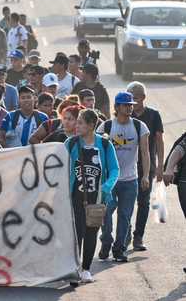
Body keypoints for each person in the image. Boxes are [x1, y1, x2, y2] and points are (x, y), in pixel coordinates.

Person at [65, 109, 119, 283]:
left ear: (90, 125)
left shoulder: (104, 144)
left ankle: (86, 269)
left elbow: (114, 169)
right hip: (75, 196)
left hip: (97, 198)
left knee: (91, 232)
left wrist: (106, 187)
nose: (76, 125)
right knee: (76, 233)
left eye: (80, 122)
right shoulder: (71, 143)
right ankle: (74, 269)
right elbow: (58, 164)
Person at [97, 92, 150, 263]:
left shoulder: (139, 126)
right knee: (106, 213)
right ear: (117, 107)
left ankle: (119, 249)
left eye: (131, 105)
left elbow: (145, 152)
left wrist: (146, 176)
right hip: (110, 181)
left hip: (130, 179)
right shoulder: (105, 127)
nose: (129, 108)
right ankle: (106, 242)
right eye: (125, 105)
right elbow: (98, 154)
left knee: (125, 216)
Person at [127, 81, 164, 251]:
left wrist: (160, 166)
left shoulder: (153, 115)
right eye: (129, 100)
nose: (132, 104)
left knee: (143, 202)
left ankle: (138, 237)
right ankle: (125, 232)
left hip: (146, 166)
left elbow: (158, 140)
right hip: (127, 166)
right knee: (124, 202)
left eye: (135, 99)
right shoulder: (126, 116)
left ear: (143, 98)